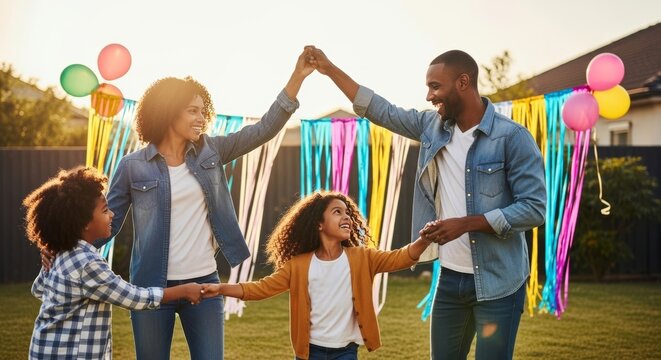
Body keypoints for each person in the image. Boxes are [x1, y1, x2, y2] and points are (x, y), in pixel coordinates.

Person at [41, 48, 315, 359]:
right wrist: (61, 245)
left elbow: (264, 129)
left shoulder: (212, 152)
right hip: (150, 289)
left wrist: (297, 77)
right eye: (192, 111)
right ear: (169, 112)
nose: (202, 119)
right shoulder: (132, 166)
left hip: (205, 284)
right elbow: (107, 224)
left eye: (202, 111)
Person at [306, 46, 546, 360]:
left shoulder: (512, 138)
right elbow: (379, 109)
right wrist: (329, 68)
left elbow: (534, 208)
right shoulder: (430, 128)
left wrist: (466, 224)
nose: (430, 96)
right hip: (449, 279)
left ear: (463, 82)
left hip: (499, 282)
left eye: (436, 86)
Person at [202, 191, 434, 360]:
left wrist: (424, 240)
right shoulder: (299, 266)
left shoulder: (363, 258)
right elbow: (260, 289)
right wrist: (221, 289)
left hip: (345, 352)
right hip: (309, 352)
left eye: (347, 213)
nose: (347, 218)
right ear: (319, 225)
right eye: (337, 212)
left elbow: (401, 257)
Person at [25, 167, 208, 359]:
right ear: (84, 223)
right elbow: (134, 298)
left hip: (44, 351)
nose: (112, 214)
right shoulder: (86, 262)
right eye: (105, 210)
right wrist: (184, 291)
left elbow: (38, 290)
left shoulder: (61, 252)